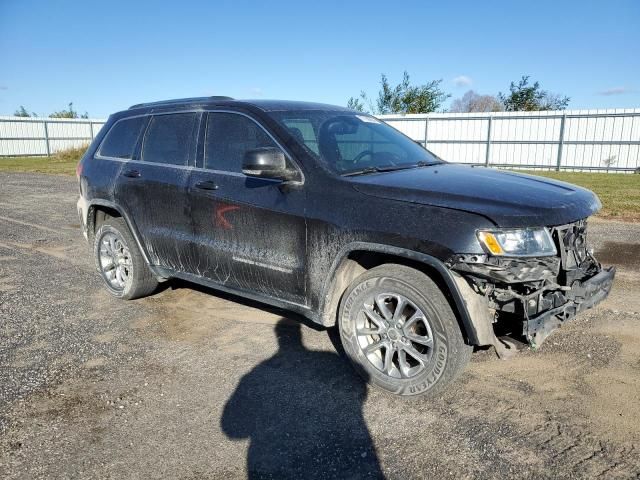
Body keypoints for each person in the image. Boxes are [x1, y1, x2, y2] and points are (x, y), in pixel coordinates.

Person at [221, 318, 383, 479]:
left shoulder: (256, 374)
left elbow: (232, 430)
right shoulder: (329, 358)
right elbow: (362, 388)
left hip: (275, 461)